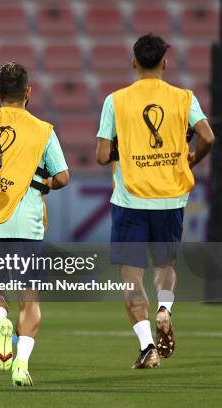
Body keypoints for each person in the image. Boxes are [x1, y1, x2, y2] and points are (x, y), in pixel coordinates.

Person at [95, 34, 215, 369]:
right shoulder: (183, 98)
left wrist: (129, 150)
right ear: (165, 62)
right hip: (171, 198)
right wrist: (192, 158)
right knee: (165, 267)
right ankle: (165, 307)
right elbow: (208, 136)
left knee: (131, 276)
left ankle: (148, 345)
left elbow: (103, 155)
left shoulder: (115, 100)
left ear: (134, 62)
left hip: (131, 199)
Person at [0, 63, 69, 386]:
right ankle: (22, 363)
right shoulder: (43, 129)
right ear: (28, 92)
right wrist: (44, 183)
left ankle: (1, 321)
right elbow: (63, 177)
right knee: (30, 300)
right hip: (28, 224)